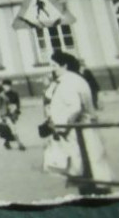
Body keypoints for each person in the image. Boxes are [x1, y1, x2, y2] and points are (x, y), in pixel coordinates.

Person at [43, 51, 113, 196]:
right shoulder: (74, 79)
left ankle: (93, 194)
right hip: (82, 129)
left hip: (78, 130)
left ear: (65, 65)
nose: (52, 68)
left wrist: (61, 127)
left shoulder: (69, 82)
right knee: (92, 164)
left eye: (54, 65)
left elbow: (74, 107)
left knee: (85, 165)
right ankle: (95, 191)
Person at [0, 79, 23, 151]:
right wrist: (2, 115)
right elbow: (0, 106)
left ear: (10, 86)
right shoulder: (1, 95)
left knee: (10, 128)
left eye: (8, 86)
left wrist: (17, 112)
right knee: (13, 128)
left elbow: (18, 103)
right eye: (5, 86)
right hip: (5, 113)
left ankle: (6, 142)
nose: (6, 87)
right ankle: (19, 144)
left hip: (13, 113)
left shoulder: (15, 94)